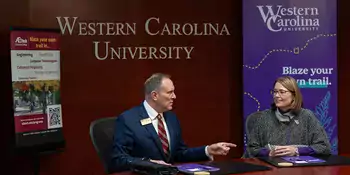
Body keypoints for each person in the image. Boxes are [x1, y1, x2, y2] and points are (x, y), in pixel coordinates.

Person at [111, 73, 236, 172]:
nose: (174, 96)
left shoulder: (171, 118)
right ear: (155, 95)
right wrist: (148, 163)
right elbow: (119, 159)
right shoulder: (128, 120)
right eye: (169, 92)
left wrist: (208, 150)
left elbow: (179, 154)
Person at [247, 76, 331, 157]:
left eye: (282, 92)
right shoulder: (264, 117)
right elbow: (251, 148)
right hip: (272, 167)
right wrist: (269, 153)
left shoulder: (307, 116)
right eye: (275, 91)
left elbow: (324, 147)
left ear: (294, 96)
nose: (276, 95)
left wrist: (297, 151)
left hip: (300, 169)